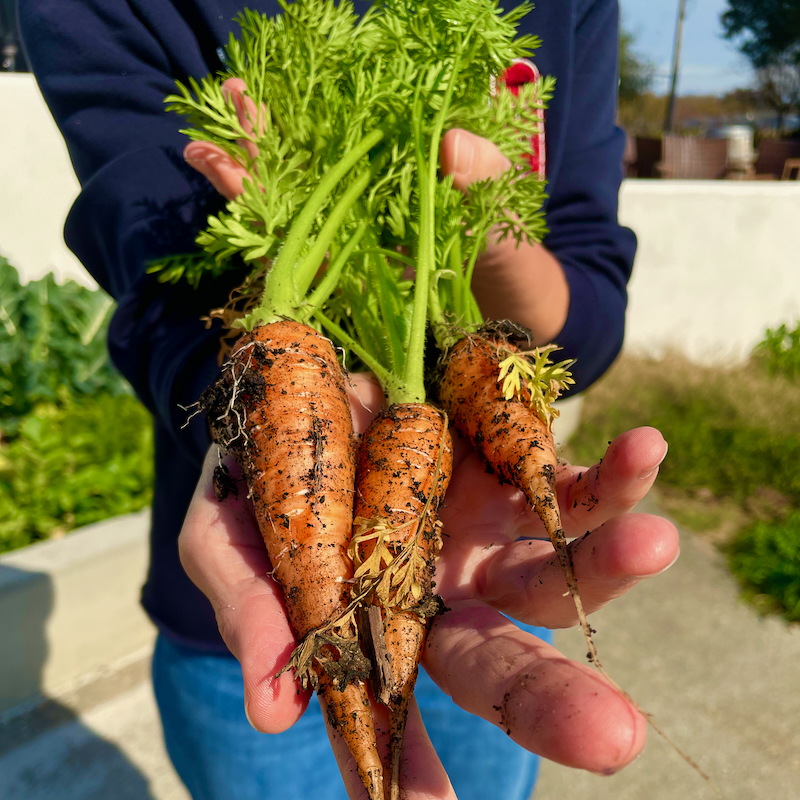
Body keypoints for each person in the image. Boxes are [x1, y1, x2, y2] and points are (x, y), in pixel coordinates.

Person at [19, 0, 679, 798]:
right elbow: (156, 284)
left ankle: (380, 692)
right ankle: (362, 697)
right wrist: (259, 392)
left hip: (481, 570)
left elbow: (592, 304)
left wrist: (490, 231)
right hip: (254, 601)